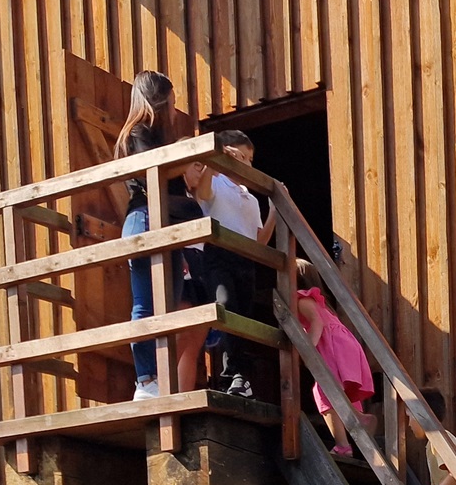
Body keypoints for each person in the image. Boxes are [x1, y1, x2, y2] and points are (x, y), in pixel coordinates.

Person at [115, 71, 209, 401]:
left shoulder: (156, 136)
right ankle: (146, 380)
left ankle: (160, 380)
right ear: (159, 99)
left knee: (167, 307)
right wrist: (182, 153)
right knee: (146, 306)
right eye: (171, 101)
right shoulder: (138, 132)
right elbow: (150, 171)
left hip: (165, 226)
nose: (173, 108)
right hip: (145, 221)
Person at [195, 128, 274, 398]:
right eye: (244, 157)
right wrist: (214, 160)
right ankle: (234, 374)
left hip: (245, 262)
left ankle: (239, 378)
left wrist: (274, 213)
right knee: (225, 307)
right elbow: (202, 192)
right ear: (230, 152)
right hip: (219, 255)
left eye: (251, 159)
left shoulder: (250, 197)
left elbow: (259, 241)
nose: (249, 165)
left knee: (243, 317)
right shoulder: (216, 183)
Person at [293, 255, 375, 454]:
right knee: (340, 389)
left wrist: (307, 351)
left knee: (323, 391)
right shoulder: (320, 302)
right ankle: (359, 419)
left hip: (334, 346)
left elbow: (317, 323)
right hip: (346, 345)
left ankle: (343, 446)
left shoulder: (301, 298)